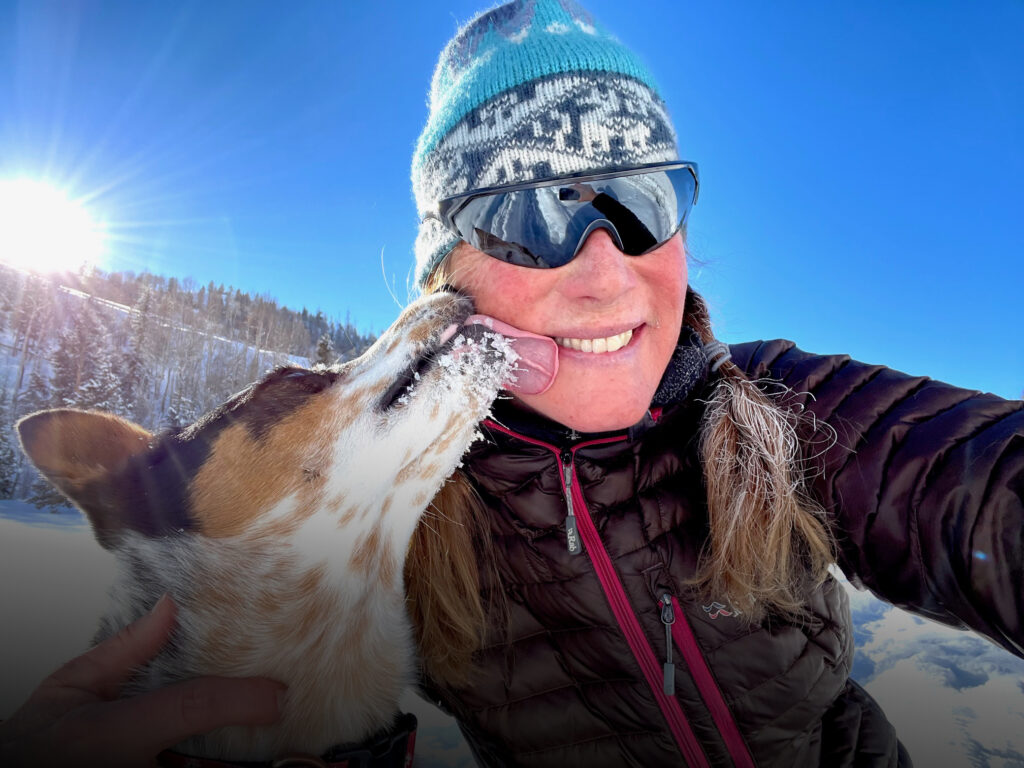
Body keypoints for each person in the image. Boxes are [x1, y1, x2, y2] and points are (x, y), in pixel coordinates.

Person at [2, 1, 1022, 765]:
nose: (603, 265)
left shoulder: (782, 415)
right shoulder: (397, 505)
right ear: (449, 274)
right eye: (528, 214)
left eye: (637, 200)